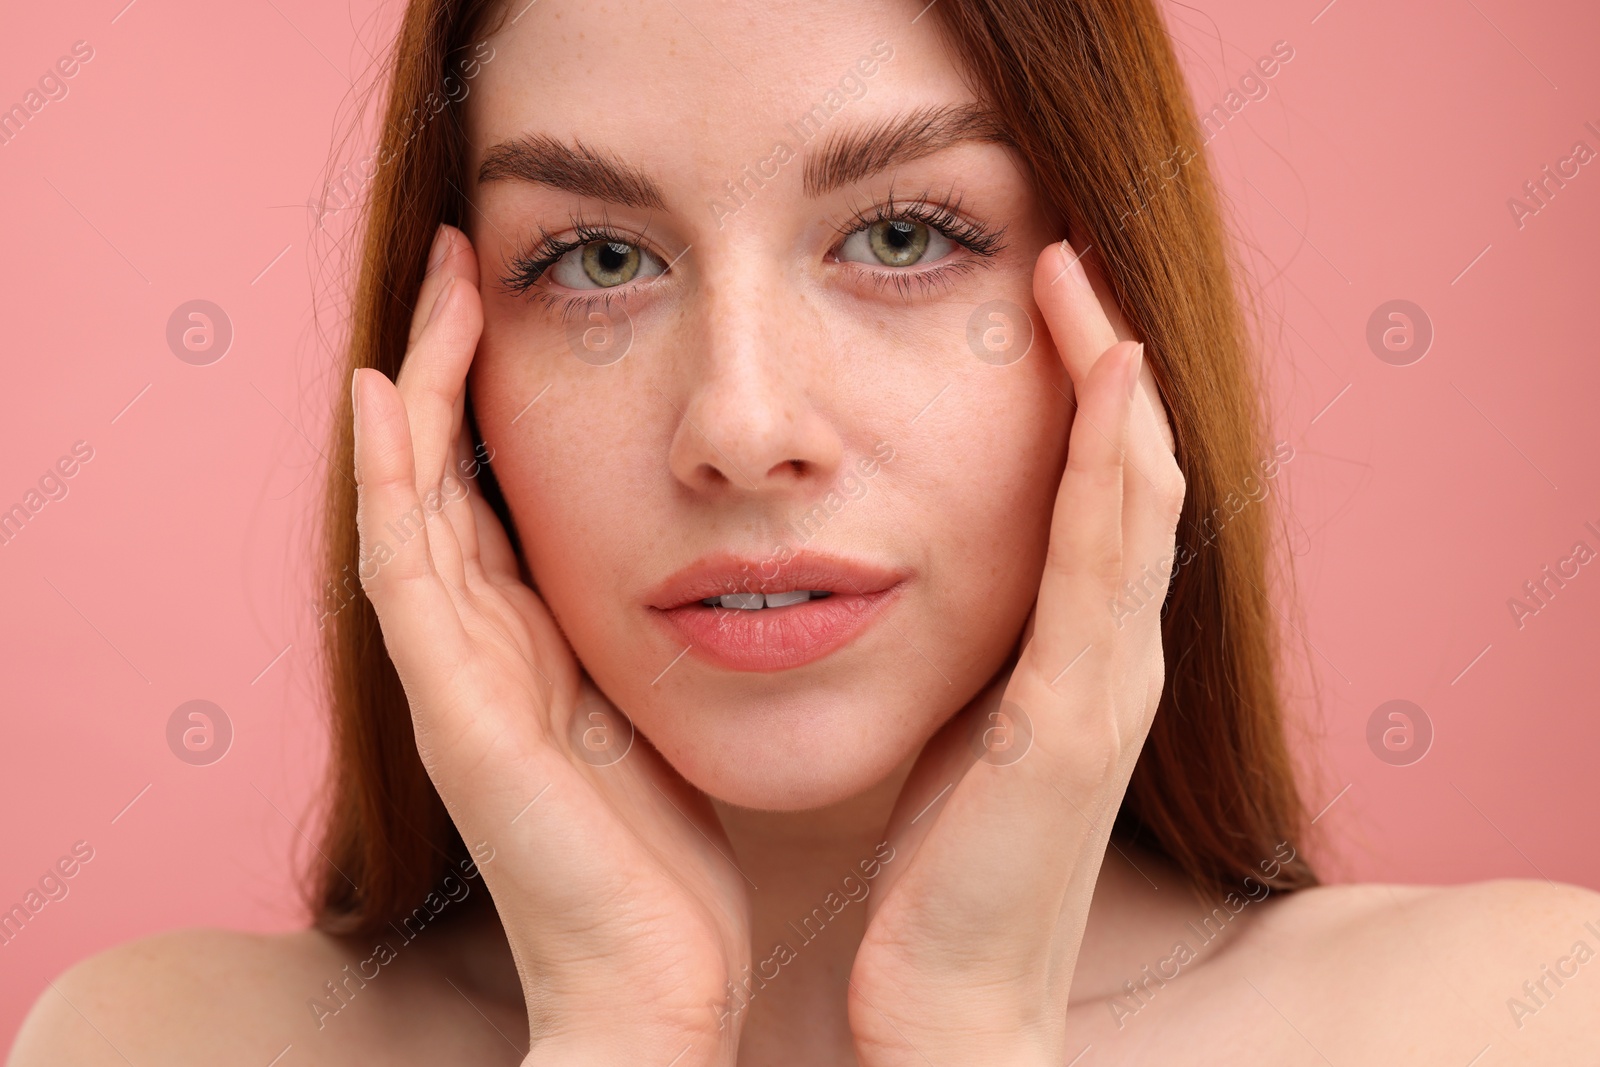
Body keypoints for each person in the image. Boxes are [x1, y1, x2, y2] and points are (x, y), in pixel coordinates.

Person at [11, 0, 1597, 1063]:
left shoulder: (1507, 1023)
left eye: (904, 235)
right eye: (595, 262)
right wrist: (622, 1026)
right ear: (448, 375)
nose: (741, 427)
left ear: (1116, 308)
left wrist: (964, 1028)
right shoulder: (165, 1044)